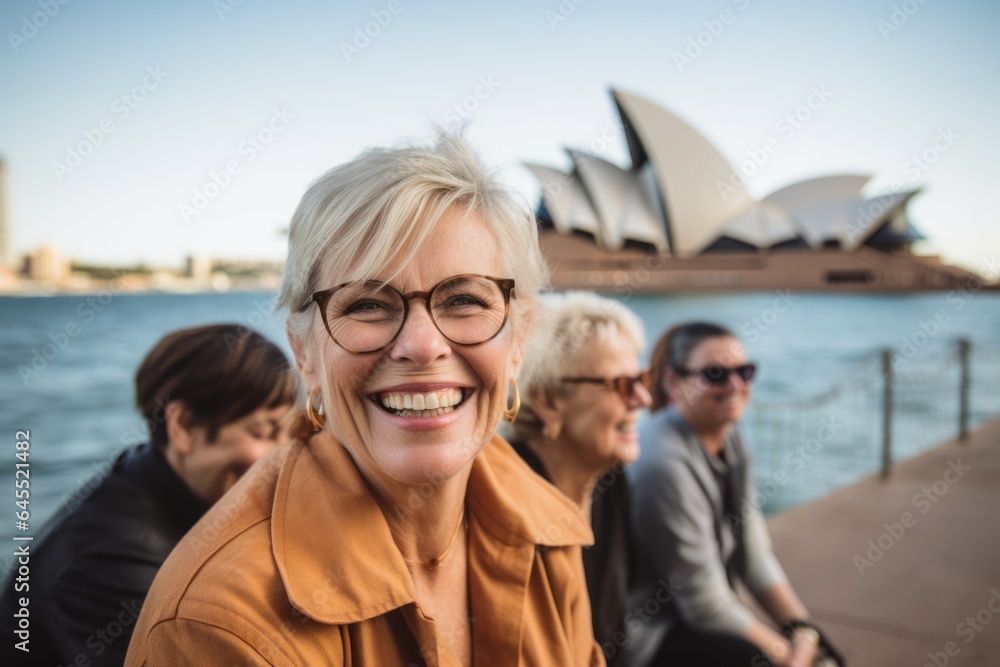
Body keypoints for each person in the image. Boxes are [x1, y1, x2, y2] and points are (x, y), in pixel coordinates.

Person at [125, 132, 603, 666]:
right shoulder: (220, 627)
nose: (422, 345)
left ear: (516, 342)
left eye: (465, 299)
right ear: (305, 354)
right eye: (368, 305)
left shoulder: (546, 528)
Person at [0, 324, 300, 667]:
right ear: (183, 426)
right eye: (263, 431)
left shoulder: (147, 473)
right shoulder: (114, 563)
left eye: (289, 433)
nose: (282, 457)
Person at [627, 322, 842, 667]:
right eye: (715, 374)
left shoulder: (729, 436)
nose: (735, 385)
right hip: (650, 637)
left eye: (745, 371)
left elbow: (753, 555)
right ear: (672, 381)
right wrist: (791, 657)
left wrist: (803, 630)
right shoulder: (663, 463)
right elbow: (704, 604)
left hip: (697, 618)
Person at [505, 291, 652, 666]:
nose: (643, 399)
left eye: (643, 379)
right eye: (621, 385)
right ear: (549, 401)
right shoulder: (508, 504)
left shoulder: (610, 480)